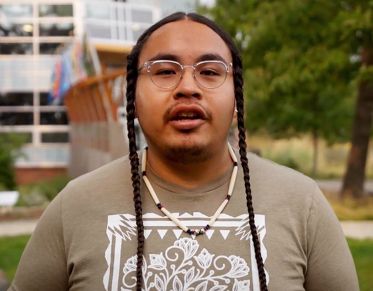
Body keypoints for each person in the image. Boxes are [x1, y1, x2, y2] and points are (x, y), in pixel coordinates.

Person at [9, 12, 359, 291]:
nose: (187, 87)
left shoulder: (302, 204)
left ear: (237, 101)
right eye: (164, 71)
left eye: (209, 72)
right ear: (131, 100)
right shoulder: (75, 206)